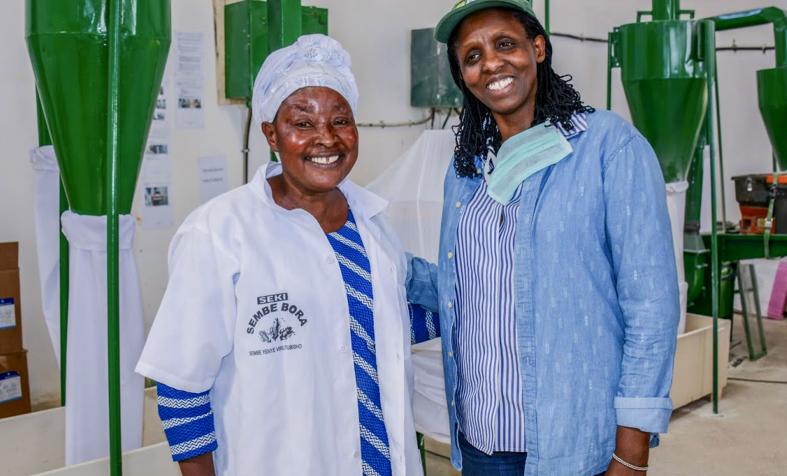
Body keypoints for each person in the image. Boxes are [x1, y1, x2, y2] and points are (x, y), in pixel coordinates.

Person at [136, 34, 438, 476]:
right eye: (303, 123)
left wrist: (476, 306)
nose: (326, 139)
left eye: (341, 121)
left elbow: (377, 326)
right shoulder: (221, 233)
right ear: (271, 133)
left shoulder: (374, 227)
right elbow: (182, 388)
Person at [405, 1, 680, 475]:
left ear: (538, 47)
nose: (490, 63)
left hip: (570, 444)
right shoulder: (468, 170)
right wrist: (378, 257)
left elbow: (651, 306)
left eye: (505, 44)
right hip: (480, 438)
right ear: (463, 76)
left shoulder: (606, 148)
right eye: (471, 56)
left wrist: (632, 452)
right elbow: (466, 287)